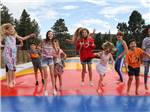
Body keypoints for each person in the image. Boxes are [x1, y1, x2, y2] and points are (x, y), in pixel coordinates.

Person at [0, 23, 35, 88]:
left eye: (13, 29)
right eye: (10, 29)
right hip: (7, 52)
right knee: (10, 67)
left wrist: (30, 36)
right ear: (7, 30)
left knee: (13, 67)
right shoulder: (5, 36)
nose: (12, 30)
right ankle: (10, 82)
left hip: (13, 53)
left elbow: (23, 38)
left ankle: (13, 79)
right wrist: (2, 45)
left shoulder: (15, 35)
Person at [41, 30, 57, 96]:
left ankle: (53, 89)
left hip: (50, 59)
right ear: (47, 35)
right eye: (49, 34)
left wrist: (56, 50)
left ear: (53, 35)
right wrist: (41, 52)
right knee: (45, 75)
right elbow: (39, 47)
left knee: (52, 74)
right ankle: (45, 90)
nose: (50, 35)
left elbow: (56, 50)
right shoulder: (43, 41)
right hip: (44, 59)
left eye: (52, 34)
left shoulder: (53, 42)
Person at [142, 27, 150, 92]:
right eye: (149, 31)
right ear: (148, 32)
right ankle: (145, 83)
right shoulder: (145, 39)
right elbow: (143, 50)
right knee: (146, 71)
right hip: (146, 58)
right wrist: (148, 55)